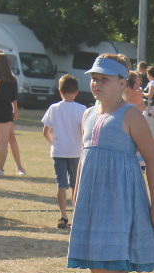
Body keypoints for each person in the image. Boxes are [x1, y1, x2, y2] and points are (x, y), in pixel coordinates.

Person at [68, 53, 154, 273]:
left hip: (120, 200)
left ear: (123, 83)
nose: (97, 84)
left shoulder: (131, 114)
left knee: (106, 261)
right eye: (94, 79)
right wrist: (77, 193)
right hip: (92, 200)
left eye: (105, 79)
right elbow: (84, 158)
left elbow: (152, 161)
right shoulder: (87, 114)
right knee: (94, 262)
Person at [41, 74, 88, 230]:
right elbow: (84, 131)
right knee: (76, 185)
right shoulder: (82, 109)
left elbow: (45, 131)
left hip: (59, 152)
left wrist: (55, 142)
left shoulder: (54, 108)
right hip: (76, 152)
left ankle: (63, 216)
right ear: (77, 91)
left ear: (60, 91)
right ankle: (77, 215)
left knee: (61, 184)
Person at [0, 53, 21, 178]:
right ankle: (1, 169)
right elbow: (14, 98)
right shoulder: (12, 80)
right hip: (5, 110)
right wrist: (15, 111)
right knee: (3, 142)